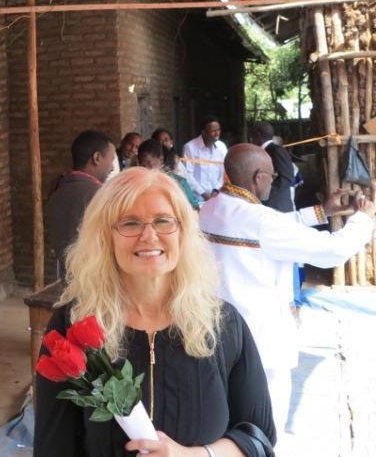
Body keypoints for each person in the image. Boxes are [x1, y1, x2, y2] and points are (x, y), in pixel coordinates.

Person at [36, 167, 275, 456]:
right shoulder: (73, 324)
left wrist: (193, 455)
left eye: (163, 221)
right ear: (104, 237)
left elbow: (259, 437)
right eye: (130, 223)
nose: (149, 236)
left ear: (183, 232)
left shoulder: (221, 322)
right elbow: (53, 447)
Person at [199, 143, 375, 447]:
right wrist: (364, 219)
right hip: (262, 339)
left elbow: (270, 226)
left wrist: (322, 211)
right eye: (271, 176)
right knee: (266, 423)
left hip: (219, 331)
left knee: (225, 415)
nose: (274, 180)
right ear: (257, 178)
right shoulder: (260, 222)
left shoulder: (213, 208)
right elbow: (333, 250)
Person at [44, 130, 116, 279]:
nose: (113, 167)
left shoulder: (57, 189)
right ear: (96, 158)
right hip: (96, 281)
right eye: (111, 159)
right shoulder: (100, 196)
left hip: (67, 278)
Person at [138, 138, 201, 210]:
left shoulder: (178, 183)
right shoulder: (137, 185)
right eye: (143, 165)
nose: (146, 169)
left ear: (161, 160)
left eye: (150, 164)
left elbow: (195, 207)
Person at [249, 123, 295, 212]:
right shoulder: (264, 151)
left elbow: (287, 178)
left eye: (251, 136)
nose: (250, 139)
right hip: (268, 205)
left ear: (258, 135)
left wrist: (264, 190)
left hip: (278, 205)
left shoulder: (276, 151)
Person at [183, 116, 227, 203]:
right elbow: (187, 174)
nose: (217, 133)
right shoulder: (190, 147)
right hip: (196, 198)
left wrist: (215, 191)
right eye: (213, 131)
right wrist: (203, 194)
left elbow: (223, 172)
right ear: (203, 132)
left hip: (216, 197)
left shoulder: (221, 147)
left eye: (218, 130)